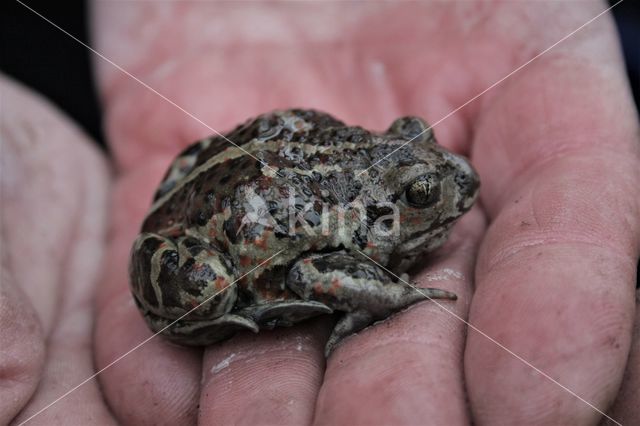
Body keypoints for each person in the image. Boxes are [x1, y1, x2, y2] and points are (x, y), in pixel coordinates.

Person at [3, 1, 639, 424]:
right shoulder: (349, 228)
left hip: (234, 175)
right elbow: (308, 278)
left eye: (418, 139)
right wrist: (388, 294)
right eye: (420, 193)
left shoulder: (363, 187)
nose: (457, 178)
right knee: (209, 289)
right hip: (203, 245)